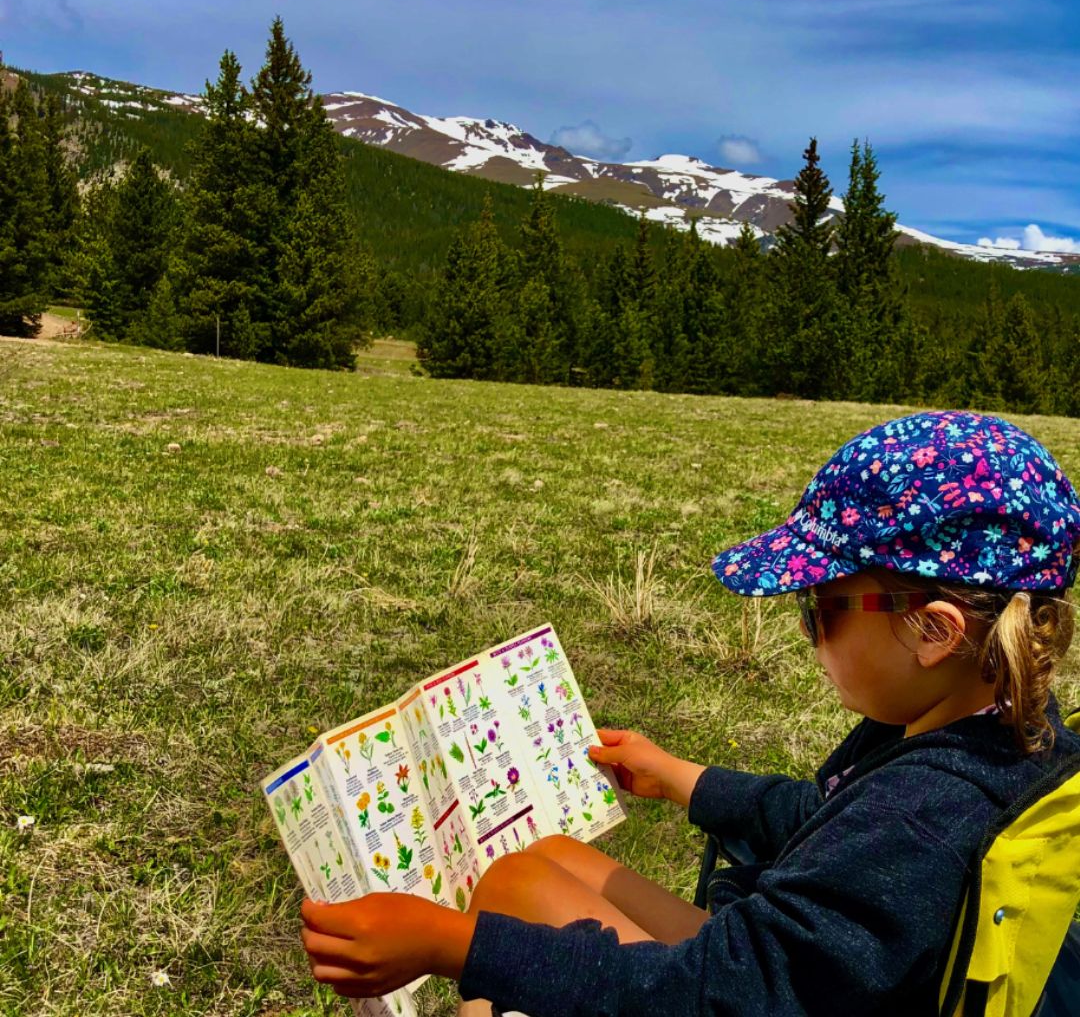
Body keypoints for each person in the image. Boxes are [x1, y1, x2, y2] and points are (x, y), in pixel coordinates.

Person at [300, 410, 1080, 1016]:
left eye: (822, 607)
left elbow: (719, 996)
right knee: (540, 861)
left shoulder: (925, 814)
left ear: (933, 631)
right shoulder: (998, 731)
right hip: (792, 981)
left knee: (512, 903)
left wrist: (452, 946)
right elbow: (829, 819)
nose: (808, 630)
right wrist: (681, 778)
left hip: (746, 994)